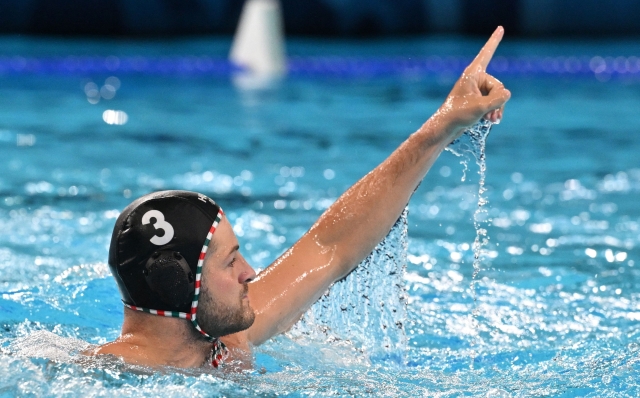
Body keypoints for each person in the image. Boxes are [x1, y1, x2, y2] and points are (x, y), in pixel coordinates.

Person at [90, 27, 511, 369]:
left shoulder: (226, 343)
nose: (250, 273)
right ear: (177, 284)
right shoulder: (90, 378)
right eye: (230, 260)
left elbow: (329, 246)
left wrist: (440, 127)